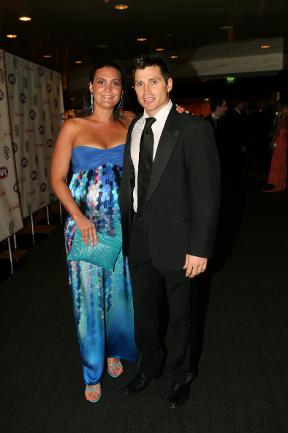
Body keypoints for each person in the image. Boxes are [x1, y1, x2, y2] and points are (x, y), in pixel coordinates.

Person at [119, 54, 221, 408]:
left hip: (180, 241)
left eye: (153, 81)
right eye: (139, 83)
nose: (146, 90)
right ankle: (150, 364)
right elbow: (131, 185)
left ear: (169, 83)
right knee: (144, 310)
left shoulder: (193, 129)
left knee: (181, 315)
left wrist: (200, 248)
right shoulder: (133, 128)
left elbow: (207, 194)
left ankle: (181, 375)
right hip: (139, 237)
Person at [50, 60, 138, 403]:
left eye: (115, 83)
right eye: (101, 82)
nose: (107, 89)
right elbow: (57, 180)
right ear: (90, 87)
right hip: (83, 223)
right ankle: (92, 370)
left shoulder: (130, 122)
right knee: (87, 298)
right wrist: (80, 218)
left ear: (121, 90)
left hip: (121, 224)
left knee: (119, 293)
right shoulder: (73, 127)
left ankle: (113, 349)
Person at [265, 98, 288, 192]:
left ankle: (277, 184)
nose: (281, 109)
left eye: (283, 107)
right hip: (284, 142)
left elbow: (277, 131)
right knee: (281, 162)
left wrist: (272, 142)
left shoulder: (283, 118)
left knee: (277, 162)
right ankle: (280, 183)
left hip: (279, 142)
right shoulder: (285, 117)